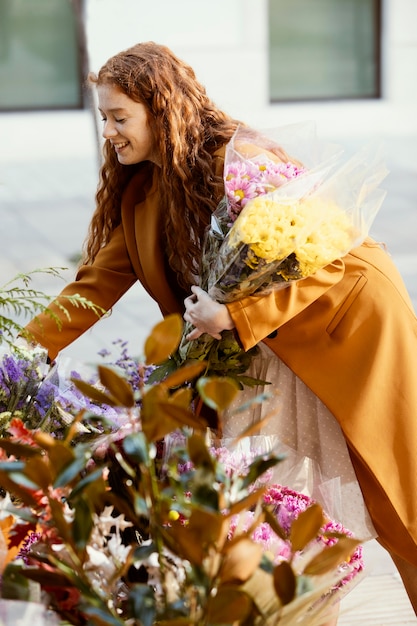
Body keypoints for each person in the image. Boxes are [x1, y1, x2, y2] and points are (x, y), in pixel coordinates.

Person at [22, 41, 417, 619]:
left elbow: (331, 254)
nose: (109, 131)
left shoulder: (242, 160)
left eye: (119, 117)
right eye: (103, 117)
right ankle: (278, 605)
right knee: (231, 475)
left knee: (395, 488)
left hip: (344, 323)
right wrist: (25, 349)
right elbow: (94, 287)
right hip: (253, 345)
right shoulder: (141, 193)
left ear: (161, 110)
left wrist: (236, 315)